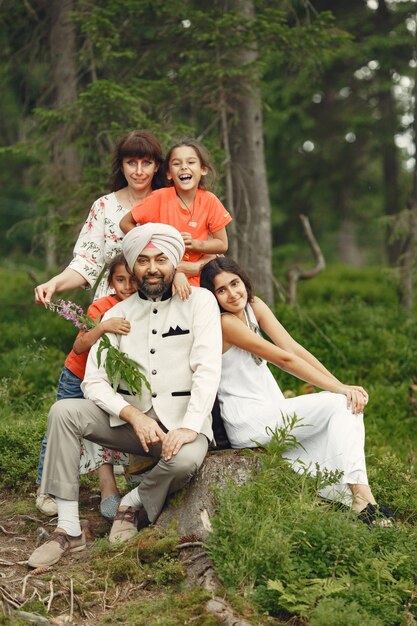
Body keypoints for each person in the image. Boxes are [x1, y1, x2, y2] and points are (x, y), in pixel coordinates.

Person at [28, 223, 222, 568]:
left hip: (180, 424)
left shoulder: (200, 302)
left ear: (174, 262)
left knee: (187, 459)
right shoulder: (116, 314)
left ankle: (132, 503)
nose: (151, 268)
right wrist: (133, 415)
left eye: (161, 259)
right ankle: (69, 529)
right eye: (143, 260)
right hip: (130, 424)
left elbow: (208, 369)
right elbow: (93, 382)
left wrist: (190, 426)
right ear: (132, 267)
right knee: (64, 412)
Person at [200, 257, 394, 527]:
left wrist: (341, 387)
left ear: (244, 280)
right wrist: (339, 390)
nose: (233, 293)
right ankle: (364, 499)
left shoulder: (253, 306)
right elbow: (284, 360)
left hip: (272, 410)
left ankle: (359, 500)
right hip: (247, 420)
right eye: (222, 290)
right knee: (341, 405)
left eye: (235, 283)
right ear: (213, 297)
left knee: (343, 405)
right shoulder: (225, 324)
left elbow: (292, 348)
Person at [35, 254, 137, 521]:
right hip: (78, 374)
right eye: (120, 280)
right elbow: (80, 346)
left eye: (132, 280)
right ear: (111, 283)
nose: (127, 286)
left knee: (113, 425)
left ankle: (121, 488)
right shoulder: (100, 306)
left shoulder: (144, 305)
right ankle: (46, 489)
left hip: (111, 381)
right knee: (58, 427)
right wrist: (103, 326)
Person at [34, 130, 165, 305]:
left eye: (146, 163)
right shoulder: (104, 206)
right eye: (131, 163)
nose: (139, 171)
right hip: (111, 303)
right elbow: (87, 263)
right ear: (121, 165)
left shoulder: (169, 204)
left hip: (159, 299)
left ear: (156, 166)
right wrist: (54, 283)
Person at [119, 139, 232, 299]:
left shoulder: (209, 200)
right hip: (163, 273)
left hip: (200, 274)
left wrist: (195, 244)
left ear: (203, 169)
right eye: (177, 163)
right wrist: (151, 242)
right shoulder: (160, 197)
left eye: (191, 162)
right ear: (168, 173)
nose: (184, 167)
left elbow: (222, 244)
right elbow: (125, 223)